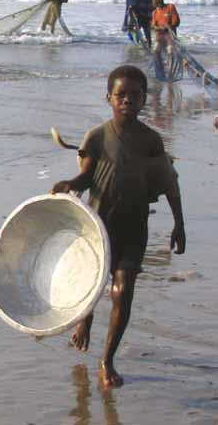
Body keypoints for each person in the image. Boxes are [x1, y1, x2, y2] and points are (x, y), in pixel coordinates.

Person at [51, 65, 185, 388]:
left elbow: (169, 184)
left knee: (122, 292)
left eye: (134, 95)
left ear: (144, 99)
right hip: (98, 226)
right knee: (92, 285)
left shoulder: (152, 141)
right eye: (120, 94)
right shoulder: (97, 136)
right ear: (108, 97)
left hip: (133, 228)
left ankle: (107, 359)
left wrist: (179, 224)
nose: (127, 100)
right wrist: (71, 183)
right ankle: (85, 318)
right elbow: (85, 175)